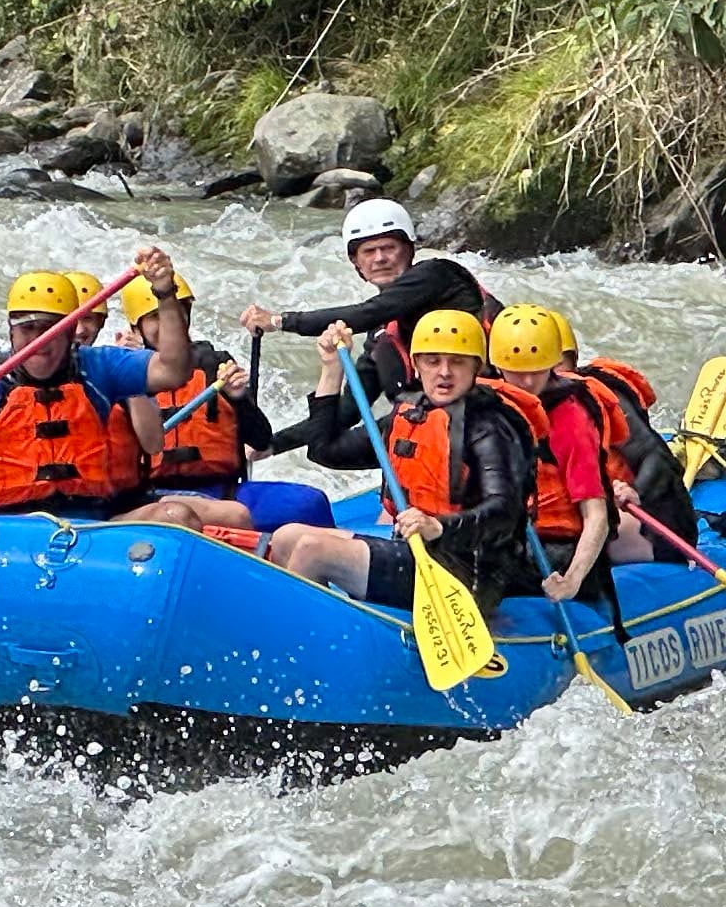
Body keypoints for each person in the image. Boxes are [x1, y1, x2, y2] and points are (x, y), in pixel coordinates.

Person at [262, 308, 541, 611]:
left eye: (457, 362)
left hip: (467, 570)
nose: (444, 372)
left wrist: (439, 526)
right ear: (417, 366)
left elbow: (505, 511)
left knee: (312, 551)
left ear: (477, 367)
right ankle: (311, 627)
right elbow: (324, 450)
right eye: (433, 361)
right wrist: (331, 371)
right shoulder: (411, 414)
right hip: (413, 549)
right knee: (287, 536)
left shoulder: (490, 427)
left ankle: (303, 644)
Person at [0, 250, 184, 521]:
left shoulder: (99, 367)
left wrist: (165, 294)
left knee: (176, 516)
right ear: (11, 332)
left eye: (49, 331)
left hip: (96, 530)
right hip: (8, 534)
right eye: (27, 329)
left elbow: (173, 370)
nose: (38, 342)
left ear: (69, 334)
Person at [486, 302, 694, 604]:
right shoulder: (491, 405)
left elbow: (652, 463)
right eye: (519, 371)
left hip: (613, 521)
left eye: (552, 365)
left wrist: (635, 492)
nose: (530, 383)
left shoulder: (581, 408)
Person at [108, 268, 333, 537]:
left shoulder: (215, 365)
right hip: (153, 496)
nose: (170, 323)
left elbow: (261, 440)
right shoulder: (120, 374)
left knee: (309, 503)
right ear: (136, 327)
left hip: (224, 491)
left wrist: (239, 400)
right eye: (156, 317)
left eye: (177, 313)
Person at [236, 197, 489, 403]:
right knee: (326, 449)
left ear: (409, 250)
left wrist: (281, 321)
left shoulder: (437, 275)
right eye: (368, 251)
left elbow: (368, 312)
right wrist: (268, 445)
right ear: (356, 262)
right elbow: (350, 410)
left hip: (487, 412)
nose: (379, 258)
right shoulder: (382, 334)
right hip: (429, 426)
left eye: (389, 247)